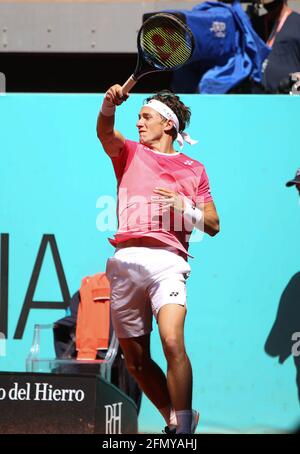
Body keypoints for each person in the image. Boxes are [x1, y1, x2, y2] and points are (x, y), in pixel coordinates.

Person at [96, 85, 220, 434]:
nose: (138, 123)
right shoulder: (130, 153)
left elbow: (213, 224)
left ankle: (183, 428)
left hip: (168, 262)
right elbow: (106, 131)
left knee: (171, 340)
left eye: (145, 117)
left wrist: (186, 209)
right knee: (135, 361)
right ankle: (172, 415)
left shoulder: (194, 169)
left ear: (168, 124)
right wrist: (108, 104)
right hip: (126, 263)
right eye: (136, 117)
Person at [256, 0, 300, 93]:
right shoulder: (255, 25)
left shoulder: (297, 23)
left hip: (289, 100)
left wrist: (294, 83)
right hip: (258, 99)